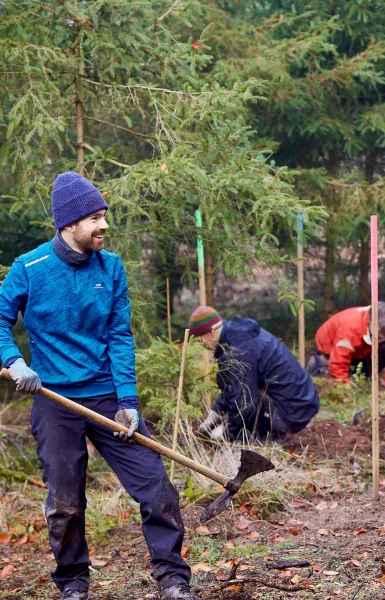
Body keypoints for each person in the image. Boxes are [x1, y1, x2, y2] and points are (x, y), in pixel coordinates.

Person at [0, 172, 198, 600]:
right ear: (68, 223)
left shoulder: (111, 267)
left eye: (104, 214)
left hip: (107, 394)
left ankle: (172, 577)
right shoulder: (29, 269)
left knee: (156, 487)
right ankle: (73, 581)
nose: (104, 225)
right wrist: (14, 361)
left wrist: (127, 400)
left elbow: (119, 336)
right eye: (94, 217)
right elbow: (0, 320)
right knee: (65, 503)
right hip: (54, 400)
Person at [191, 306, 319, 441]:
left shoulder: (238, 352)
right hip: (301, 402)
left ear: (211, 333)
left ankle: (267, 439)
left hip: (293, 410)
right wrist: (213, 416)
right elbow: (232, 387)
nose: (201, 344)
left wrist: (227, 433)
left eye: (200, 339)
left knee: (247, 405)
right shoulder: (236, 338)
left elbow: (245, 403)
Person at [306, 302, 385, 389]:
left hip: (361, 349)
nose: (382, 336)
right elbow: (338, 362)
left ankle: (363, 377)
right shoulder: (350, 329)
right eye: (380, 332)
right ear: (370, 321)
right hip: (329, 348)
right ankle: (316, 365)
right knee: (326, 379)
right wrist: (343, 387)